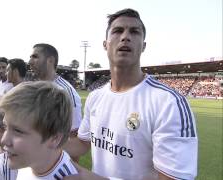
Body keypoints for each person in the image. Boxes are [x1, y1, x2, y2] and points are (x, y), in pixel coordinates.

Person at [64, 8, 198, 180]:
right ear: (105, 44)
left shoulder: (169, 103)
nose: (125, 36)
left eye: (134, 32)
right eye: (118, 31)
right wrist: (44, 148)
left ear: (143, 46)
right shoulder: (95, 97)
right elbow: (83, 143)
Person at [0, 81, 78, 180]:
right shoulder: (31, 162)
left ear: (54, 138)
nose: (3, 140)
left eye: (18, 131)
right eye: (5, 127)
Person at [29, 43, 82, 150]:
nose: (30, 62)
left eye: (35, 57)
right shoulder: (35, 87)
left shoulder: (65, 91)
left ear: (50, 60)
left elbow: (73, 135)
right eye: (30, 57)